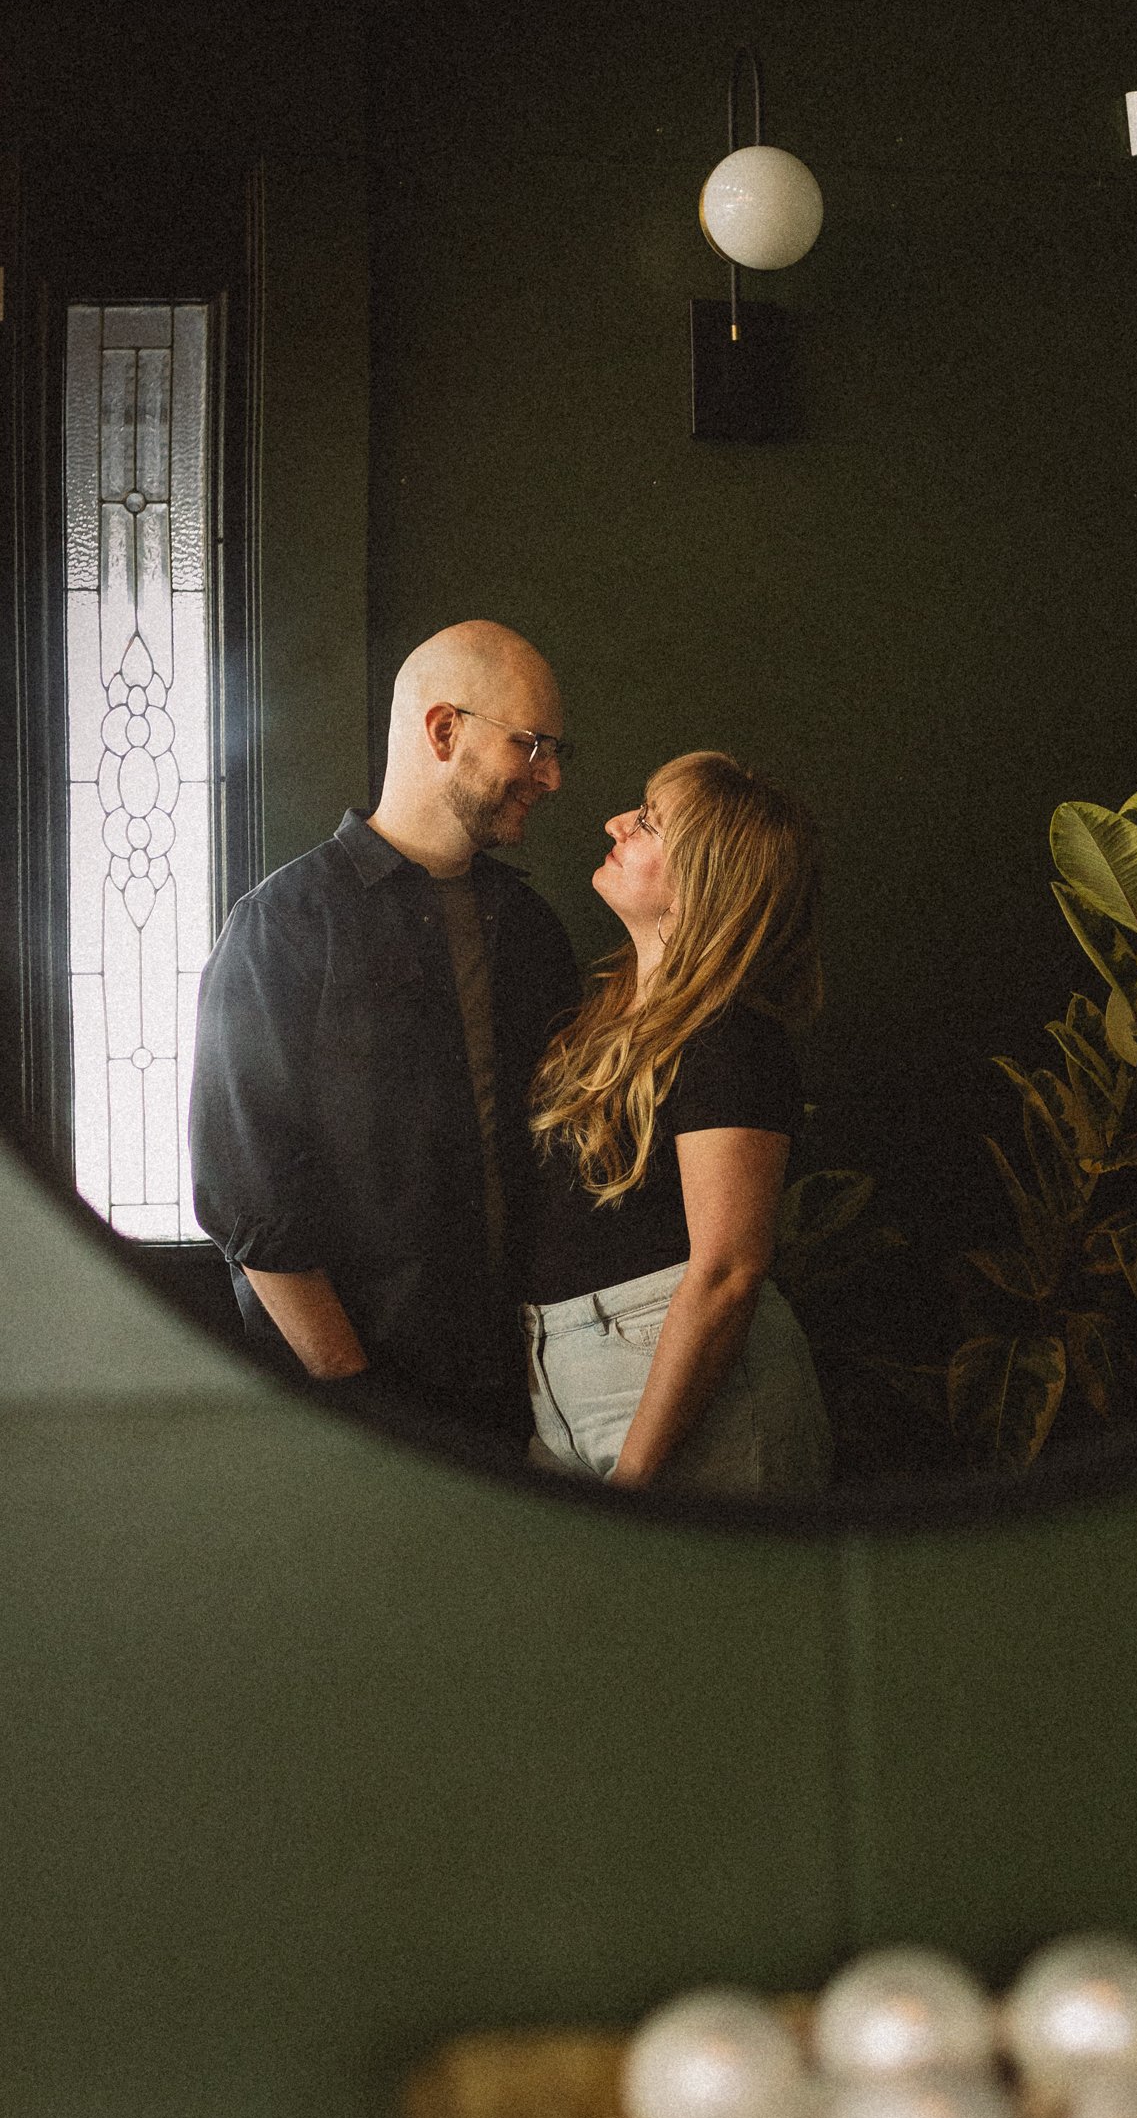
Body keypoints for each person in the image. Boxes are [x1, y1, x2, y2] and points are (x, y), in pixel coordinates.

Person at [189, 619, 580, 1446]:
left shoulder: (531, 928)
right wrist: (359, 1398)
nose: (550, 777)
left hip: (533, 1393)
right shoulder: (283, 925)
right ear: (445, 731)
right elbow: (247, 1195)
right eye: (533, 745)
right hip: (356, 1410)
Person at [522, 750, 833, 1494]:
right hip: (570, 1393)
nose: (616, 824)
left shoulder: (733, 1041)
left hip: (698, 1413)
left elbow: (728, 1272)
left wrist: (636, 1476)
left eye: (649, 823)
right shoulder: (610, 1015)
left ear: (701, 884)